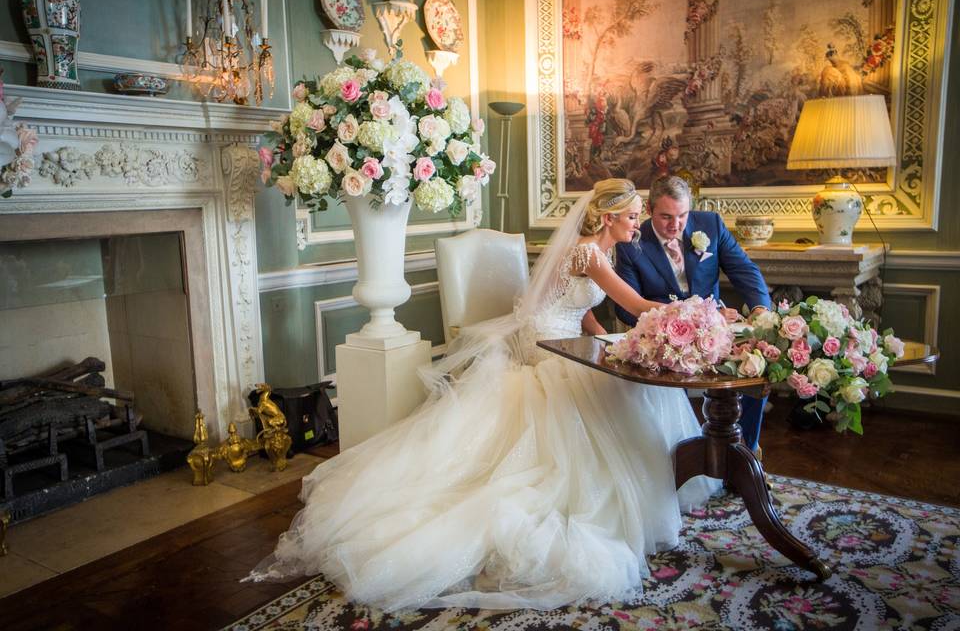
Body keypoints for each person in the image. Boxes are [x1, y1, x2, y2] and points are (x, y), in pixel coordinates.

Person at [245, 179, 720, 612]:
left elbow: (586, 313)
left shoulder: (605, 252)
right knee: (608, 396)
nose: (637, 223)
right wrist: (696, 315)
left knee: (626, 382)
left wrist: (603, 340)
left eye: (639, 216)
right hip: (543, 344)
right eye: (633, 215)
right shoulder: (587, 253)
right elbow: (635, 306)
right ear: (610, 217)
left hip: (568, 336)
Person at [614, 175, 772, 455]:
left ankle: (744, 451)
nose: (676, 225)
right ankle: (686, 456)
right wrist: (691, 317)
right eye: (666, 217)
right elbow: (626, 306)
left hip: (716, 334)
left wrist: (760, 310)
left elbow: (745, 271)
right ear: (649, 210)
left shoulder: (710, 224)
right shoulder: (630, 243)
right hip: (664, 339)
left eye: (683, 216)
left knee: (755, 366)